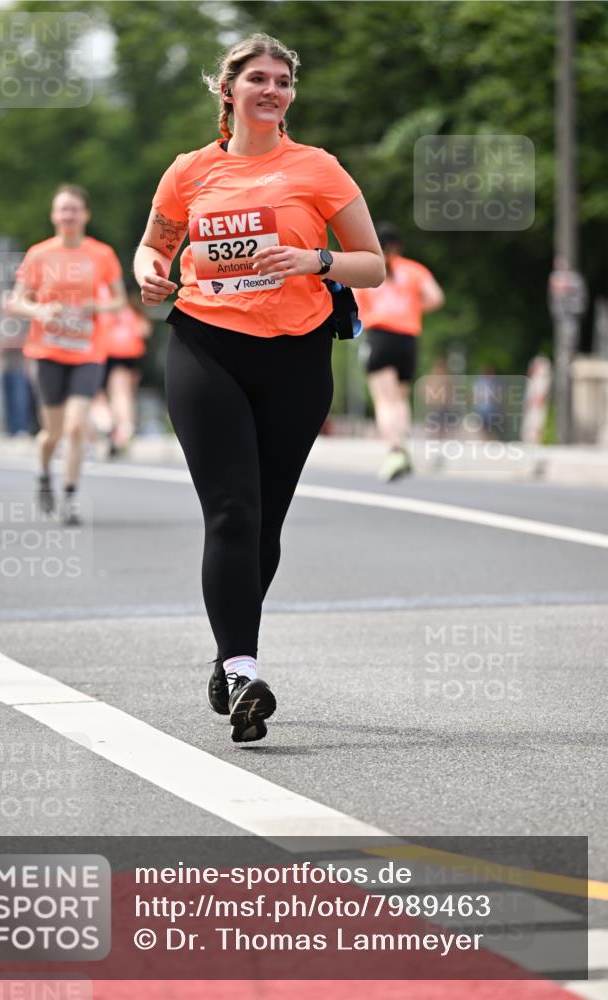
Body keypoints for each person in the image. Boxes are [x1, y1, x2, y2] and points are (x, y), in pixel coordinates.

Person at [134, 33, 384, 743]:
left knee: (265, 525)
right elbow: (156, 243)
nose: (271, 91)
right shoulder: (188, 172)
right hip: (204, 346)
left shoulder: (317, 168)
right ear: (228, 89)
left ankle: (225, 651)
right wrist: (147, 272)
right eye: (257, 80)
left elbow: (372, 265)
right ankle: (244, 669)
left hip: (296, 359)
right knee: (233, 515)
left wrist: (314, 256)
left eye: (282, 81)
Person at [5, 185, 126, 524]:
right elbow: (16, 300)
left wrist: (94, 305)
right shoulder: (39, 254)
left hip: (88, 350)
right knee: (52, 433)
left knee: (76, 427)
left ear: (85, 214)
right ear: (53, 215)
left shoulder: (101, 254)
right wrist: (40, 312)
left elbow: (118, 300)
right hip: (47, 350)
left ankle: (70, 498)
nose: (68, 215)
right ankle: (43, 471)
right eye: (62, 209)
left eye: (74, 209)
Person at [354, 223, 444, 482]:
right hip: (408, 339)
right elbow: (436, 298)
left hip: (381, 336)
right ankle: (403, 444)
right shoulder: (414, 270)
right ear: (399, 247)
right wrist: (412, 308)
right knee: (401, 398)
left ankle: (394, 450)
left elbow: (356, 305)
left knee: (384, 399)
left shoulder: (370, 269)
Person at [92, 289, 152, 457]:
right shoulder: (133, 309)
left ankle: (110, 427)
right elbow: (145, 330)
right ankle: (123, 429)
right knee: (123, 393)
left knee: (104, 395)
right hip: (130, 354)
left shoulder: (105, 306)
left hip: (110, 352)